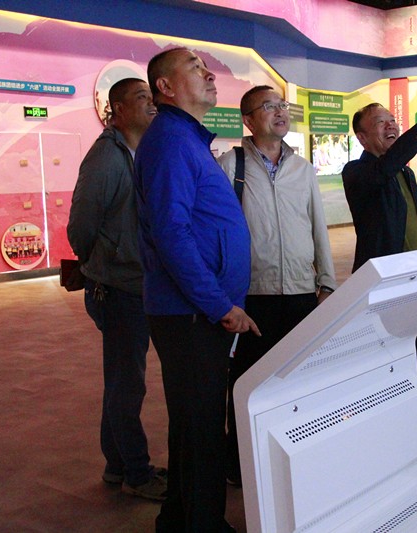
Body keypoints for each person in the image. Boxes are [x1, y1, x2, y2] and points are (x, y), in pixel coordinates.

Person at [133, 47, 260, 533]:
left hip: (194, 312)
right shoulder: (170, 141)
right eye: (194, 67)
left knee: (193, 423)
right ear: (165, 87)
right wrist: (218, 304)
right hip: (191, 314)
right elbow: (172, 232)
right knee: (203, 427)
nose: (208, 74)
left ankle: (178, 519)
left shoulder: (183, 138)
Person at [217, 85, 338, 486]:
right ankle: (239, 464)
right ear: (248, 120)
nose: (280, 112)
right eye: (268, 106)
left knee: (300, 380)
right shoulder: (230, 165)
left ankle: (294, 458)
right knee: (248, 383)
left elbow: (318, 226)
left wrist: (327, 282)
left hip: (302, 293)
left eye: (282, 105)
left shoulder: (302, 168)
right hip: (253, 296)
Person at [342, 93, 417, 461]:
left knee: (412, 361)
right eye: (380, 123)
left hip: (415, 284)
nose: (391, 125)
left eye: (391, 120)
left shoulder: (406, 174)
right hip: (383, 287)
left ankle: (410, 435)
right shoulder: (358, 172)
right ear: (362, 138)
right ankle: (378, 439)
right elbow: (383, 170)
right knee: (382, 365)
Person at [66, 77, 167, 501]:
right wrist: (101, 266)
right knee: (128, 384)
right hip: (117, 288)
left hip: (133, 283)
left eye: (152, 97)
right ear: (118, 110)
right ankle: (137, 473)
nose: (151, 104)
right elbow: (81, 226)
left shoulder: (138, 151)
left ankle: (116, 464)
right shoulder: (107, 157)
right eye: (142, 98)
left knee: (121, 380)